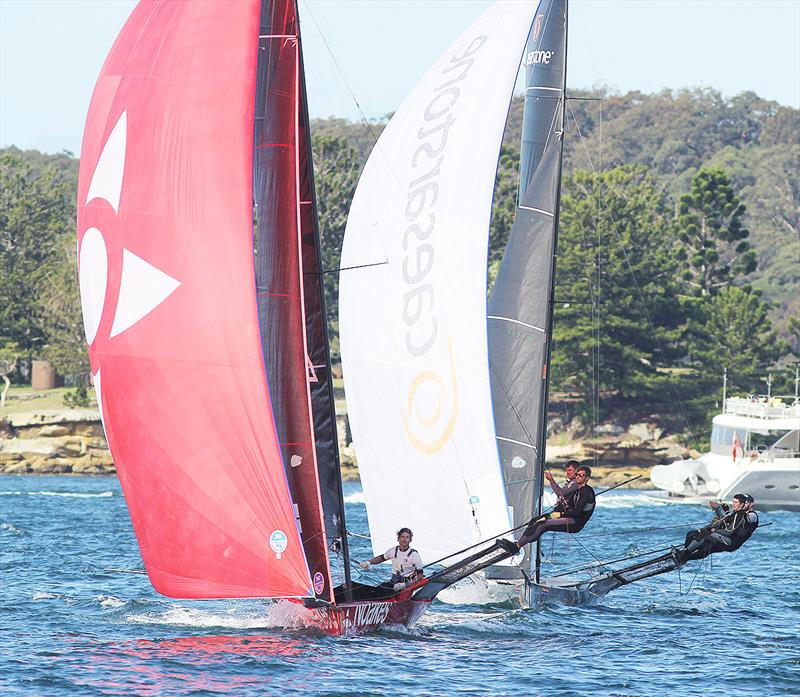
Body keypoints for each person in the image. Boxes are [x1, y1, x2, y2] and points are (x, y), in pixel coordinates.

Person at [498, 465, 596, 552]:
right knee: (536, 520)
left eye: (581, 475)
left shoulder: (586, 491)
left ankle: (517, 546)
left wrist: (559, 514)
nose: (577, 477)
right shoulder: (578, 490)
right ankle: (518, 543)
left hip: (575, 523)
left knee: (543, 524)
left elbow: (577, 512)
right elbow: (569, 504)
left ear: (587, 478)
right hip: (569, 517)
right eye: (577, 474)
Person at [677, 493, 758, 562]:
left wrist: (724, 514)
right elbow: (726, 520)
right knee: (695, 536)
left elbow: (732, 525)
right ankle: (685, 554)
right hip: (727, 537)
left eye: (746, 502)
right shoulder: (738, 514)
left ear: (750, 504)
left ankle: (685, 554)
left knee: (707, 538)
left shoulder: (751, 515)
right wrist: (720, 509)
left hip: (731, 541)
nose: (745, 504)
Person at [358, 527, 424, 590]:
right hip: (393, 582)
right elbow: (381, 558)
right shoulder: (392, 551)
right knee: (377, 589)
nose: (404, 539)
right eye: (402, 537)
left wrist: (405, 585)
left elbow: (420, 578)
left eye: (407, 537)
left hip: (408, 584)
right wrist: (368, 562)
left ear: (410, 540)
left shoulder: (414, 555)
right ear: (398, 538)